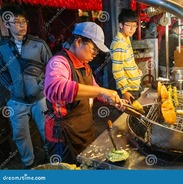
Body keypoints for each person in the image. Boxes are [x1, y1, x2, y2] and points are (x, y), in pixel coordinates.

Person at [44, 22, 125, 164]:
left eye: (97, 51)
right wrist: (103, 91)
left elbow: (93, 88)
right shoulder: (59, 62)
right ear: (79, 41)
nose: (95, 54)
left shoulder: (84, 66)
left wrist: (111, 99)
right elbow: (54, 88)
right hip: (64, 137)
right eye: (93, 49)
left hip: (84, 130)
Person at [0, 5, 52, 168]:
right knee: (20, 135)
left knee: (47, 130)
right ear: (7, 24)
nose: (22, 26)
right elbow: (2, 72)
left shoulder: (39, 44)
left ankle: (52, 158)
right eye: (16, 22)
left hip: (40, 99)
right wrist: (12, 88)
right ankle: (28, 163)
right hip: (16, 101)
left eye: (24, 22)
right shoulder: (2, 49)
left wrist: (42, 85)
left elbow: (51, 67)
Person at [110, 8, 143, 103]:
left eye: (134, 25)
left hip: (134, 85)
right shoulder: (119, 43)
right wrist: (124, 91)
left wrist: (137, 69)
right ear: (121, 25)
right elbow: (117, 69)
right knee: (129, 116)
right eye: (128, 25)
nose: (132, 29)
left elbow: (130, 60)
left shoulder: (126, 38)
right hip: (129, 89)